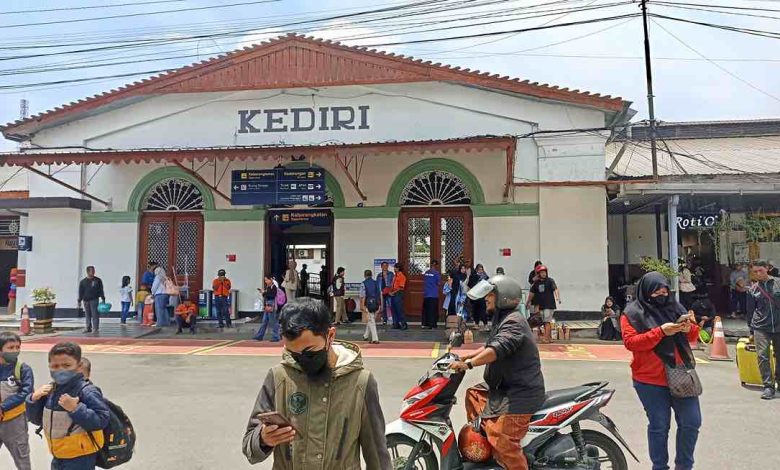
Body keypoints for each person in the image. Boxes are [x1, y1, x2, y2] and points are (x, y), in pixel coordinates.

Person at [242, 298, 391, 469]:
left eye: (310, 351)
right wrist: (263, 439)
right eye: (293, 353)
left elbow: (378, 455)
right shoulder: (279, 377)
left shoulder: (361, 382)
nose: (302, 360)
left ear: (330, 336)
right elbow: (249, 447)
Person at [449, 275, 545, 470]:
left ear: (503, 297)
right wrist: (464, 357)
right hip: (504, 387)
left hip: (520, 393)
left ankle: (505, 454)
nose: (486, 299)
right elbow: (489, 346)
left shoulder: (514, 322)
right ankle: (488, 446)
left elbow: (496, 350)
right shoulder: (502, 319)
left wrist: (470, 365)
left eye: (490, 295)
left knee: (502, 439)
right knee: (474, 395)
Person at [621, 272, 702, 470]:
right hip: (649, 380)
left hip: (680, 374)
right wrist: (661, 332)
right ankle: (659, 467)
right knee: (659, 426)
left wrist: (687, 328)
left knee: (692, 422)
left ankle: (684, 466)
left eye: (665, 289)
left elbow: (693, 334)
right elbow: (631, 343)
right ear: (646, 291)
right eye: (657, 290)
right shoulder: (632, 313)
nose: (662, 293)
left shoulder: (675, 306)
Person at [27, 342, 110, 470]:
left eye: (66, 365)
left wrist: (75, 409)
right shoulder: (51, 390)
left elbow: (102, 420)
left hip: (81, 456)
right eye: (55, 366)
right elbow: (37, 420)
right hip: (59, 453)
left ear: (78, 366)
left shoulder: (87, 391)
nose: (60, 370)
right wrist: (33, 400)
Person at [746, 260, 780, 400]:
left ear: (767, 269)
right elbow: (749, 310)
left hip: (778, 325)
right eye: (755, 272)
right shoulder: (753, 289)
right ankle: (768, 386)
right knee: (762, 356)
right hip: (760, 326)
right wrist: (751, 330)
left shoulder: (778, 283)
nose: (758, 274)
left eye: (761, 270)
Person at [0, 332, 33, 470]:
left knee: (22, 457)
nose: (15, 351)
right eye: (10, 347)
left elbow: (26, 392)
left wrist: (3, 407)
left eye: (17, 347)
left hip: (15, 421)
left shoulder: (23, 369)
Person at [526, 265, 560, 343]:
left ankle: (546, 338)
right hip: (539, 305)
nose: (543, 274)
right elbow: (532, 293)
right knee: (540, 321)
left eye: (544, 272)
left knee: (547, 321)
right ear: (538, 273)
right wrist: (528, 302)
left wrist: (557, 297)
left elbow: (555, 289)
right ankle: (548, 337)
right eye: (541, 272)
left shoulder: (550, 281)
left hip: (549, 305)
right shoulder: (536, 283)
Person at [78, 266, 105, 335]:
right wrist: (79, 300)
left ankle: (95, 328)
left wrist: (103, 298)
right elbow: (81, 291)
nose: (93, 272)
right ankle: (88, 327)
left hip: (94, 299)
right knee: (87, 314)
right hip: (86, 300)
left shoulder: (97, 280)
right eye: (91, 271)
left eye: (93, 271)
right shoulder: (83, 282)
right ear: (87, 272)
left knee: (95, 314)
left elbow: (101, 289)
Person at [254, 275, 281, 342]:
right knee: (264, 321)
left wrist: (265, 293)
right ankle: (259, 336)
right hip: (267, 304)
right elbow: (266, 296)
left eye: (267, 280)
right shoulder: (268, 287)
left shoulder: (274, 287)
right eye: (265, 280)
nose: (266, 281)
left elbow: (272, 296)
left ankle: (276, 336)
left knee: (273, 321)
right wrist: (264, 293)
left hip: (271, 304)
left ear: (271, 279)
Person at [360, 269, 380, 344]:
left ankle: (375, 338)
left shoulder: (363, 283)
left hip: (368, 303)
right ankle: (365, 335)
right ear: (371, 275)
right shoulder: (376, 283)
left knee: (371, 321)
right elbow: (378, 293)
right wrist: (380, 304)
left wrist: (362, 305)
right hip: (376, 303)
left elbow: (363, 295)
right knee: (371, 318)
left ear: (365, 275)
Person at [469, 263, 490, 331]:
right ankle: (476, 324)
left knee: (483, 311)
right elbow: (470, 284)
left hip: (482, 296)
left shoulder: (485, 277)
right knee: (475, 311)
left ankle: (485, 325)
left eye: (481, 269)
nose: (480, 271)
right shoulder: (473, 276)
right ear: (476, 269)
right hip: (475, 295)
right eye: (479, 269)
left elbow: (488, 284)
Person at [421, 260, 441, 329]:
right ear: (436, 266)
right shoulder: (436, 273)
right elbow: (438, 283)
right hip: (433, 295)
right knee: (433, 311)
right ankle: (432, 325)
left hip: (426, 294)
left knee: (426, 310)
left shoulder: (426, 273)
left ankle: (425, 324)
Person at [390, 263, 408, 330]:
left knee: (399, 310)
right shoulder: (395, 276)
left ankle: (404, 324)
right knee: (393, 310)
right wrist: (390, 292)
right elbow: (393, 285)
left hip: (398, 294)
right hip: (393, 294)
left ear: (399, 268)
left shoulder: (402, 276)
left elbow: (401, 287)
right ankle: (396, 324)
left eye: (396, 268)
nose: (394, 269)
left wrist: (393, 292)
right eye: (394, 267)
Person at [376, 262, 395, 326]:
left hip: (389, 292)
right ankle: (384, 320)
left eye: (386, 266)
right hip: (382, 293)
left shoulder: (391, 274)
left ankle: (394, 320)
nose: (385, 267)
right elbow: (377, 285)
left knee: (391, 306)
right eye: (383, 266)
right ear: (381, 267)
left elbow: (393, 283)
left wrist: (392, 291)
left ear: (388, 266)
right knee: (383, 307)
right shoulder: (379, 275)